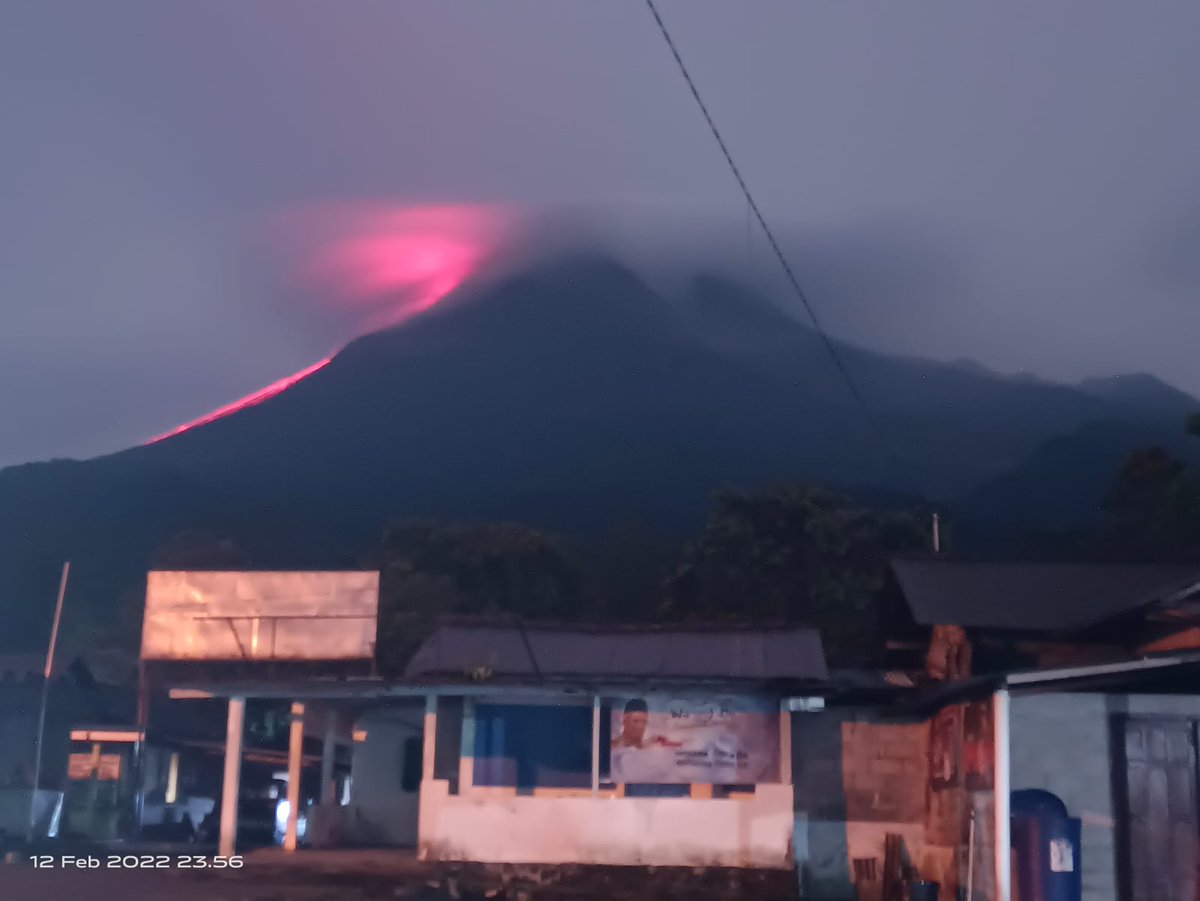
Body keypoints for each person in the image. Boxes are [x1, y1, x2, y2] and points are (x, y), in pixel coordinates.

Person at [610, 699, 679, 784]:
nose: (640, 726)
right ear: (624, 720)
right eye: (635, 721)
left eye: (644, 722)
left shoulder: (655, 750)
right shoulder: (611, 749)